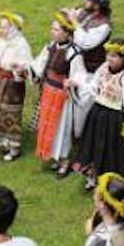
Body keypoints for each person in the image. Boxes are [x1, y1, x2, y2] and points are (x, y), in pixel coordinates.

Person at [72, 38, 124, 190]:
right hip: (97, 113)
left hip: (115, 118)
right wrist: (78, 84)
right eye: (108, 55)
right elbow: (93, 86)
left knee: (113, 149)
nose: (109, 59)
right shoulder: (103, 68)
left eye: (114, 56)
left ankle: (113, 181)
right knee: (93, 144)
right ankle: (93, 175)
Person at [30, 10, 86, 177]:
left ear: (67, 32)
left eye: (56, 29)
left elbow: (80, 75)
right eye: (52, 28)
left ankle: (64, 161)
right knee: (47, 126)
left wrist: (73, 82)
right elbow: (39, 65)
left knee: (60, 129)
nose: (52, 32)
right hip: (48, 93)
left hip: (62, 97)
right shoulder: (50, 47)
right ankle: (53, 157)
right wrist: (31, 72)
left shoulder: (73, 53)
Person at [0, 11, 34, 162]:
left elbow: (28, 66)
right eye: (1, 27)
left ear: (13, 29)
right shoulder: (2, 41)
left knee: (10, 113)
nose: (1, 31)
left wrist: (18, 67)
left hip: (12, 85)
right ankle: (4, 142)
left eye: (4, 28)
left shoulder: (21, 45)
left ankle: (14, 148)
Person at [65, 0, 113, 137]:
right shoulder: (86, 12)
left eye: (88, 0)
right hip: (77, 65)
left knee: (83, 105)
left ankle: (82, 138)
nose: (84, 2)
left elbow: (86, 43)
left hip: (91, 71)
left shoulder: (104, 25)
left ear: (97, 4)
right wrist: (67, 15)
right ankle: (70, 134)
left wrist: (74, 21)